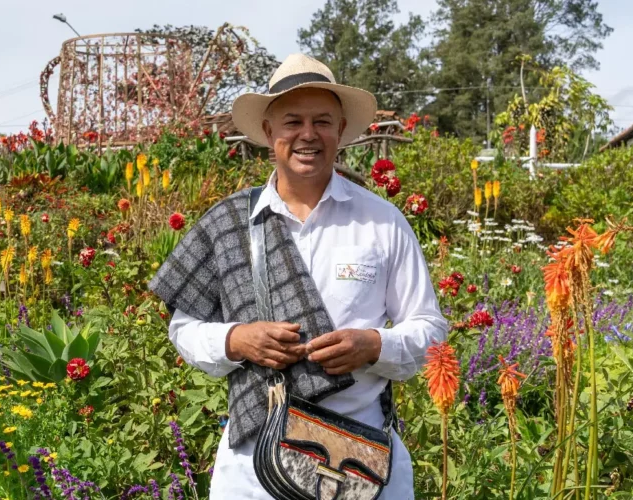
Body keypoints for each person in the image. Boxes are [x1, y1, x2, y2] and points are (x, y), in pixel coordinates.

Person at [149, 53, 448, 499]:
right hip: (254, 467)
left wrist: (374, 345)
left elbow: (431, 333)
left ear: (341, 130)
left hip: (360, 462)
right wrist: (236, 340)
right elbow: (184, 329)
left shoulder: (382, 222)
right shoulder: (230, 221)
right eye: (292, 122)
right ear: (269, 132)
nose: (308, 135)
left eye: (322, 121)